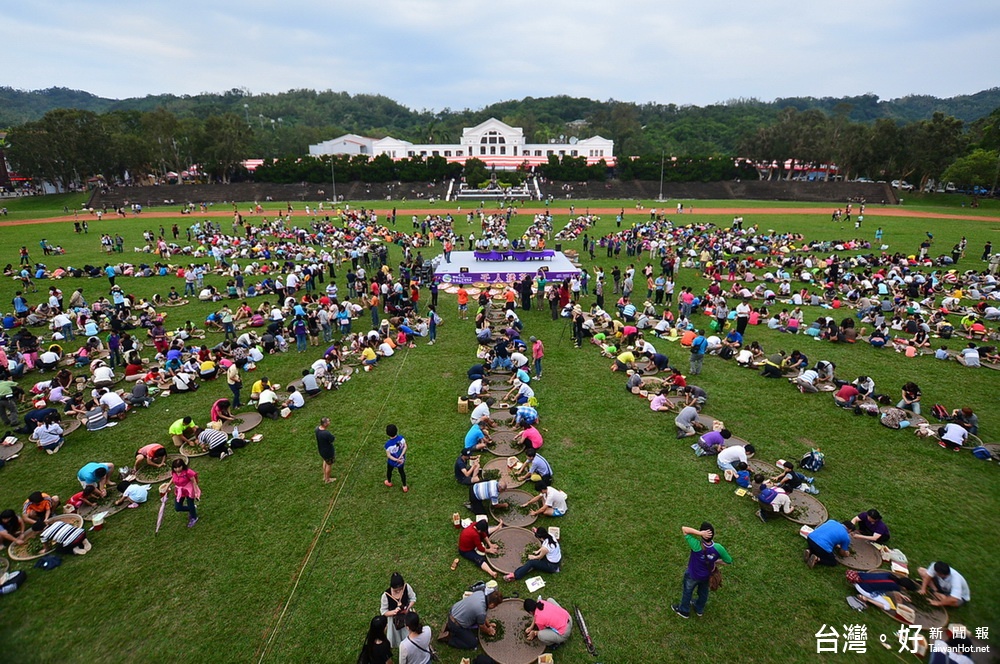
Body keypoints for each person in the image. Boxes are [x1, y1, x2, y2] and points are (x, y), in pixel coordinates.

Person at [671, 523, 732, 619]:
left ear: (703, 535)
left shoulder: (696, 545)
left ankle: (684, 611)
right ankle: (699, 609)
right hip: (707, 575)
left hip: (693, 575)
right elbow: (728, 561)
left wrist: (699, 533)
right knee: (703, 592)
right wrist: (716, 561)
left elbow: (684, 529)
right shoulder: (718, 548)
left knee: (687, 592)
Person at [381, 572, 417, 649]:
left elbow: (413, 598)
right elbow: (384, 612)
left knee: (409, 636)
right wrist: (394, 612)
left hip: (406, 617)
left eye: (399, 589)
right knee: (397, 637)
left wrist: (407, 608)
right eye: (395, 590)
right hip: (394, 621)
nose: (398, 591)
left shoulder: (406, 587)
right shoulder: (386, 595)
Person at [165, 457, 201, 528]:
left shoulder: (188, 472)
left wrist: (196, 491)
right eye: (175, 468)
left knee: (190, 503)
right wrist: (167, 485)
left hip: (189, 490)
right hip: (179, 491)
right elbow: (173, 478)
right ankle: (192, 508)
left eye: (179, 467)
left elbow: (193, 481)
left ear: (182, 466)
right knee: (178, 507)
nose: (177, 469)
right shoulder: (174, 472)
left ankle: (194, 517)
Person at [384, 424, 408, 492]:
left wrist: (396, 460)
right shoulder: (401, 438)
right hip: (401, 460)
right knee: (402, 472)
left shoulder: (388, 444)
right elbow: (405, 447)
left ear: (387, 433)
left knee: (389, 470)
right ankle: (404, 486)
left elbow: (389, 455)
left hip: (392, 461)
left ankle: (389, 482)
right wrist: (401, 457)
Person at [316, 417, 336, 484]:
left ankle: (325, 476)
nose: (329, 422)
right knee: (329, 465)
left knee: (325, 461)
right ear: (325, 424)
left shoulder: (317, 429)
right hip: (328, 452)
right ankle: (327, 479)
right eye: (328, 421)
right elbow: (332, 439)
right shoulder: (326, 433)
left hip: (321, 450)